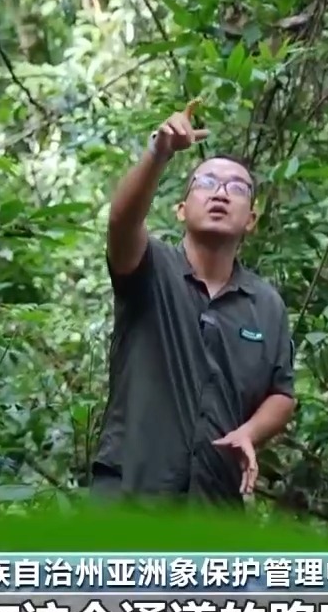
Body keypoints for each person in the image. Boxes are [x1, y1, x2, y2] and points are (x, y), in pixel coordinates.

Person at [88, 101, 297, 507]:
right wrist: (158, 153)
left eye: (237, 188)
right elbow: (121, 223)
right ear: (181, 210)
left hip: (215, 504)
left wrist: (250, 432)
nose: (220, 193)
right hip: (129, 496)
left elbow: (281, 393)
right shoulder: (149, 267)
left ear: (251, 219)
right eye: (207, 183)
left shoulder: (266, 305)